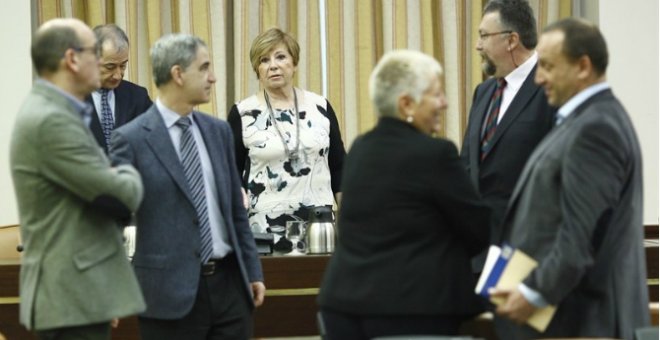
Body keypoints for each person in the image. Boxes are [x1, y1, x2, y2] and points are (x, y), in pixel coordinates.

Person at [490, 18, 650, 339]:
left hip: (584, 323)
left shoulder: (596, 129)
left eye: (547, 66)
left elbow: (579, 235)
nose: (539, 78)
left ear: (582, 66)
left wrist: (534, 293)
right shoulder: (583, 121)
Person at [317, 50, 491, 339]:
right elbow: (479, 230)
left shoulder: (361, 149)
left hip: (343, 308)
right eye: (436, 94)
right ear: (406, 104)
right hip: (411, 311)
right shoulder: (436, 153)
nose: (444, 103)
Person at [109, 33, 266, 340]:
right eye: (205, 67)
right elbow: (110, 222)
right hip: (168, 299)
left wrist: (252, 270)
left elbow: (235, 211)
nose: (213, 77)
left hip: (231, 292)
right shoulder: (132, 139)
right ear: (178, 74)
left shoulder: (218, 131)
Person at [10, 18, 145, 339]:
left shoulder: (54, 110)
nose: (113, 71)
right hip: (68, 292)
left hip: (81, 287)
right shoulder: (54, 120)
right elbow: (117, 194)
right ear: (73, 59)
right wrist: (132, 171)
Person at [460, 0, 555, 273]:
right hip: (479, 252)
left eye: (484, 36)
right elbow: (468, 165)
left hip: (528, 252)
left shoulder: (551, 89)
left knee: (514, 318)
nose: (478, 45)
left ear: (512, 40)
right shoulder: (484, 92)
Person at [227, 27, 345, 236]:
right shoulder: (243, 113)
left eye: (280, 57)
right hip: (264, 227)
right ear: (257, 69)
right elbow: (231, 173)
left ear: (294, 63)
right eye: (264, 60)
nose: (273, 66)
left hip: (320, 225)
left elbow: (339, 167)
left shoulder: (320, 106)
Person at [86, 24, 152, 153]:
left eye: (123, 66)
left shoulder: (138, 97)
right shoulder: (69, 98)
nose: (118, 75)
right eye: (110, 67)